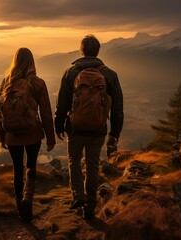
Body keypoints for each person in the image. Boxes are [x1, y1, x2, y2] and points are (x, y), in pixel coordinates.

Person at [54, 34, 123, 220]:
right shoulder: (110, 75)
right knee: (92, 166)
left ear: (81, 50)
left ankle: (77, 195)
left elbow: (62, 104)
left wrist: (58, 126)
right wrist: (114, 134)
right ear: (98, 51)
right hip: (98, 129)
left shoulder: (70, 73)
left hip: (75, 128)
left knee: (74, 160)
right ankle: (90, 206)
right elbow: (117, 108)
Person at [0, 48, 56, 222]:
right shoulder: (38, 83)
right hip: (33, 134)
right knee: (30, 166)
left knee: (17, 170)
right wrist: (50, 139)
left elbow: (0, 112)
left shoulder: (6, 82)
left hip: (12, 135)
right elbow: (45, 112)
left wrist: (3, 136)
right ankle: (27, 200)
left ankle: (20, 210)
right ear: (32, 62)